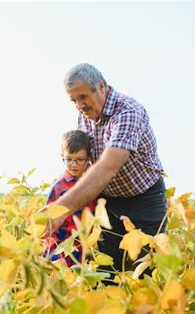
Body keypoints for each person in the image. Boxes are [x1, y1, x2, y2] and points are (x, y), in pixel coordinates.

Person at [49, 63, 167, 277]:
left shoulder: (128, 112)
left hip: (144, 201)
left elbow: (108, 167)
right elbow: (85, 163)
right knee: (107, 271)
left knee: (146, 270)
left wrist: (61, 208)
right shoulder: (84, 116)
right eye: (73, 100)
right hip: (109, 203)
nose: (79, 106)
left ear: (101, 87)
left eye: (83, 97)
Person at [45, 130, 96, 266]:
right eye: (69, 159)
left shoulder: (94, 185)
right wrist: (51, 257)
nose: (73, 164)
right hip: (61, 252)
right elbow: (48, 226)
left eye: (79, 160)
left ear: (89, 159)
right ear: (62, 156)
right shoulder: (58, 189)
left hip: (85, 250)